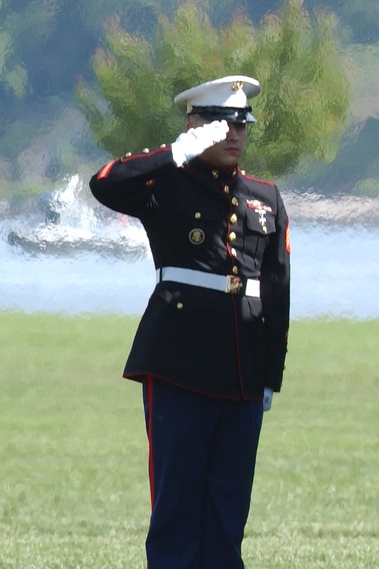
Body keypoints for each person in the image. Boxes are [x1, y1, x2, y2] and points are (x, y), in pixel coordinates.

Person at [89, 75, 290, 569]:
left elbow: (278, 292)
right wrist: (175, 152)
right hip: (179, 365)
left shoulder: (264, 197)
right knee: (177, 518)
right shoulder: (166, 183)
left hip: (242, 371)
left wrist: (270, 375)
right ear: (195, 126)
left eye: (243, 124)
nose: (236, 134)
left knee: (227, 518)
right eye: (223, 124)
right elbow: (105, 183)